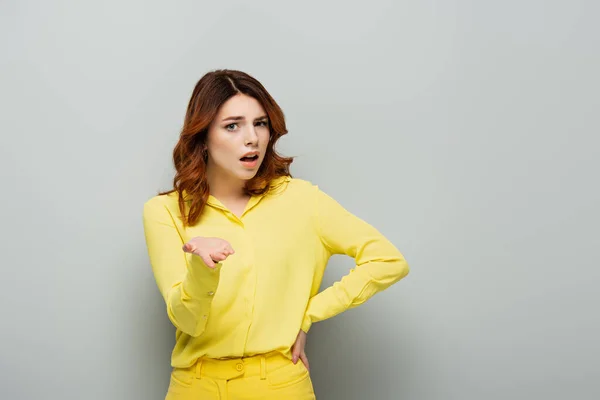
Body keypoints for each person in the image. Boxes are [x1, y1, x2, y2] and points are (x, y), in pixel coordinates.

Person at [142, 69, 410, 400]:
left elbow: (387, 260)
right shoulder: (165, 212)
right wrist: (202, 269)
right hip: (195, 388)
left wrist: (309, 314)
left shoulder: (301, 200)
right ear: (203, 137)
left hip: (281, 386)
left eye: (261, 123)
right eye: (232, 126)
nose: (252, 137)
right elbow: (188, 321)